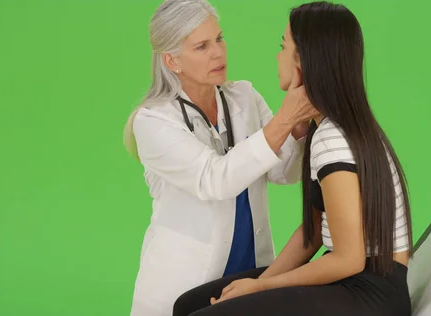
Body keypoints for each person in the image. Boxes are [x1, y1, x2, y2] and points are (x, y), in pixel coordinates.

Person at [172, 2, 414, 315]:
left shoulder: (333, 139)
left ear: (303, 61)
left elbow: (350, 259)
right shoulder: (327, 129)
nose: (277, 56)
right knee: (190, 305)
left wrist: (260, 287)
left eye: (283, 46)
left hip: (370, 293)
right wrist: (257, 285)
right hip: (356, 280)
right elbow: (311, 235)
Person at [124, 1, 318, 315]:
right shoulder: (153, 121)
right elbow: (215, 180)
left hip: (249, 272)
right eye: (201, 46)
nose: (218, 52)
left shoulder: (244, 95)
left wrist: (297, 126)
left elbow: (285, 171)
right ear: (172, 60)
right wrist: (285, 118)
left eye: (219, 38)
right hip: (184, 280)